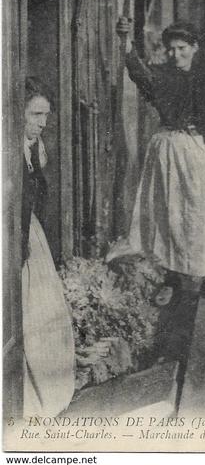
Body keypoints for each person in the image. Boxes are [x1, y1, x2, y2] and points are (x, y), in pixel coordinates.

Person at [124, 22, 205, 302]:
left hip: (204, 147)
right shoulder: (162, 76)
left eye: (182, 49)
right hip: (170, 149)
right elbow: (139, 74)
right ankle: (172, 277)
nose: (176, 55)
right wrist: (126, 42)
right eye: (171, 50)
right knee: (172, 214)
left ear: (194, 48)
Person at [22, 77, 75, 416]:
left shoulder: (34, 147)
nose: (42, 123)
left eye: (46, 115)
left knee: (43, 313)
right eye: (35, 114)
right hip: (14, 233)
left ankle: (48, 391)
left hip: (29, 232)